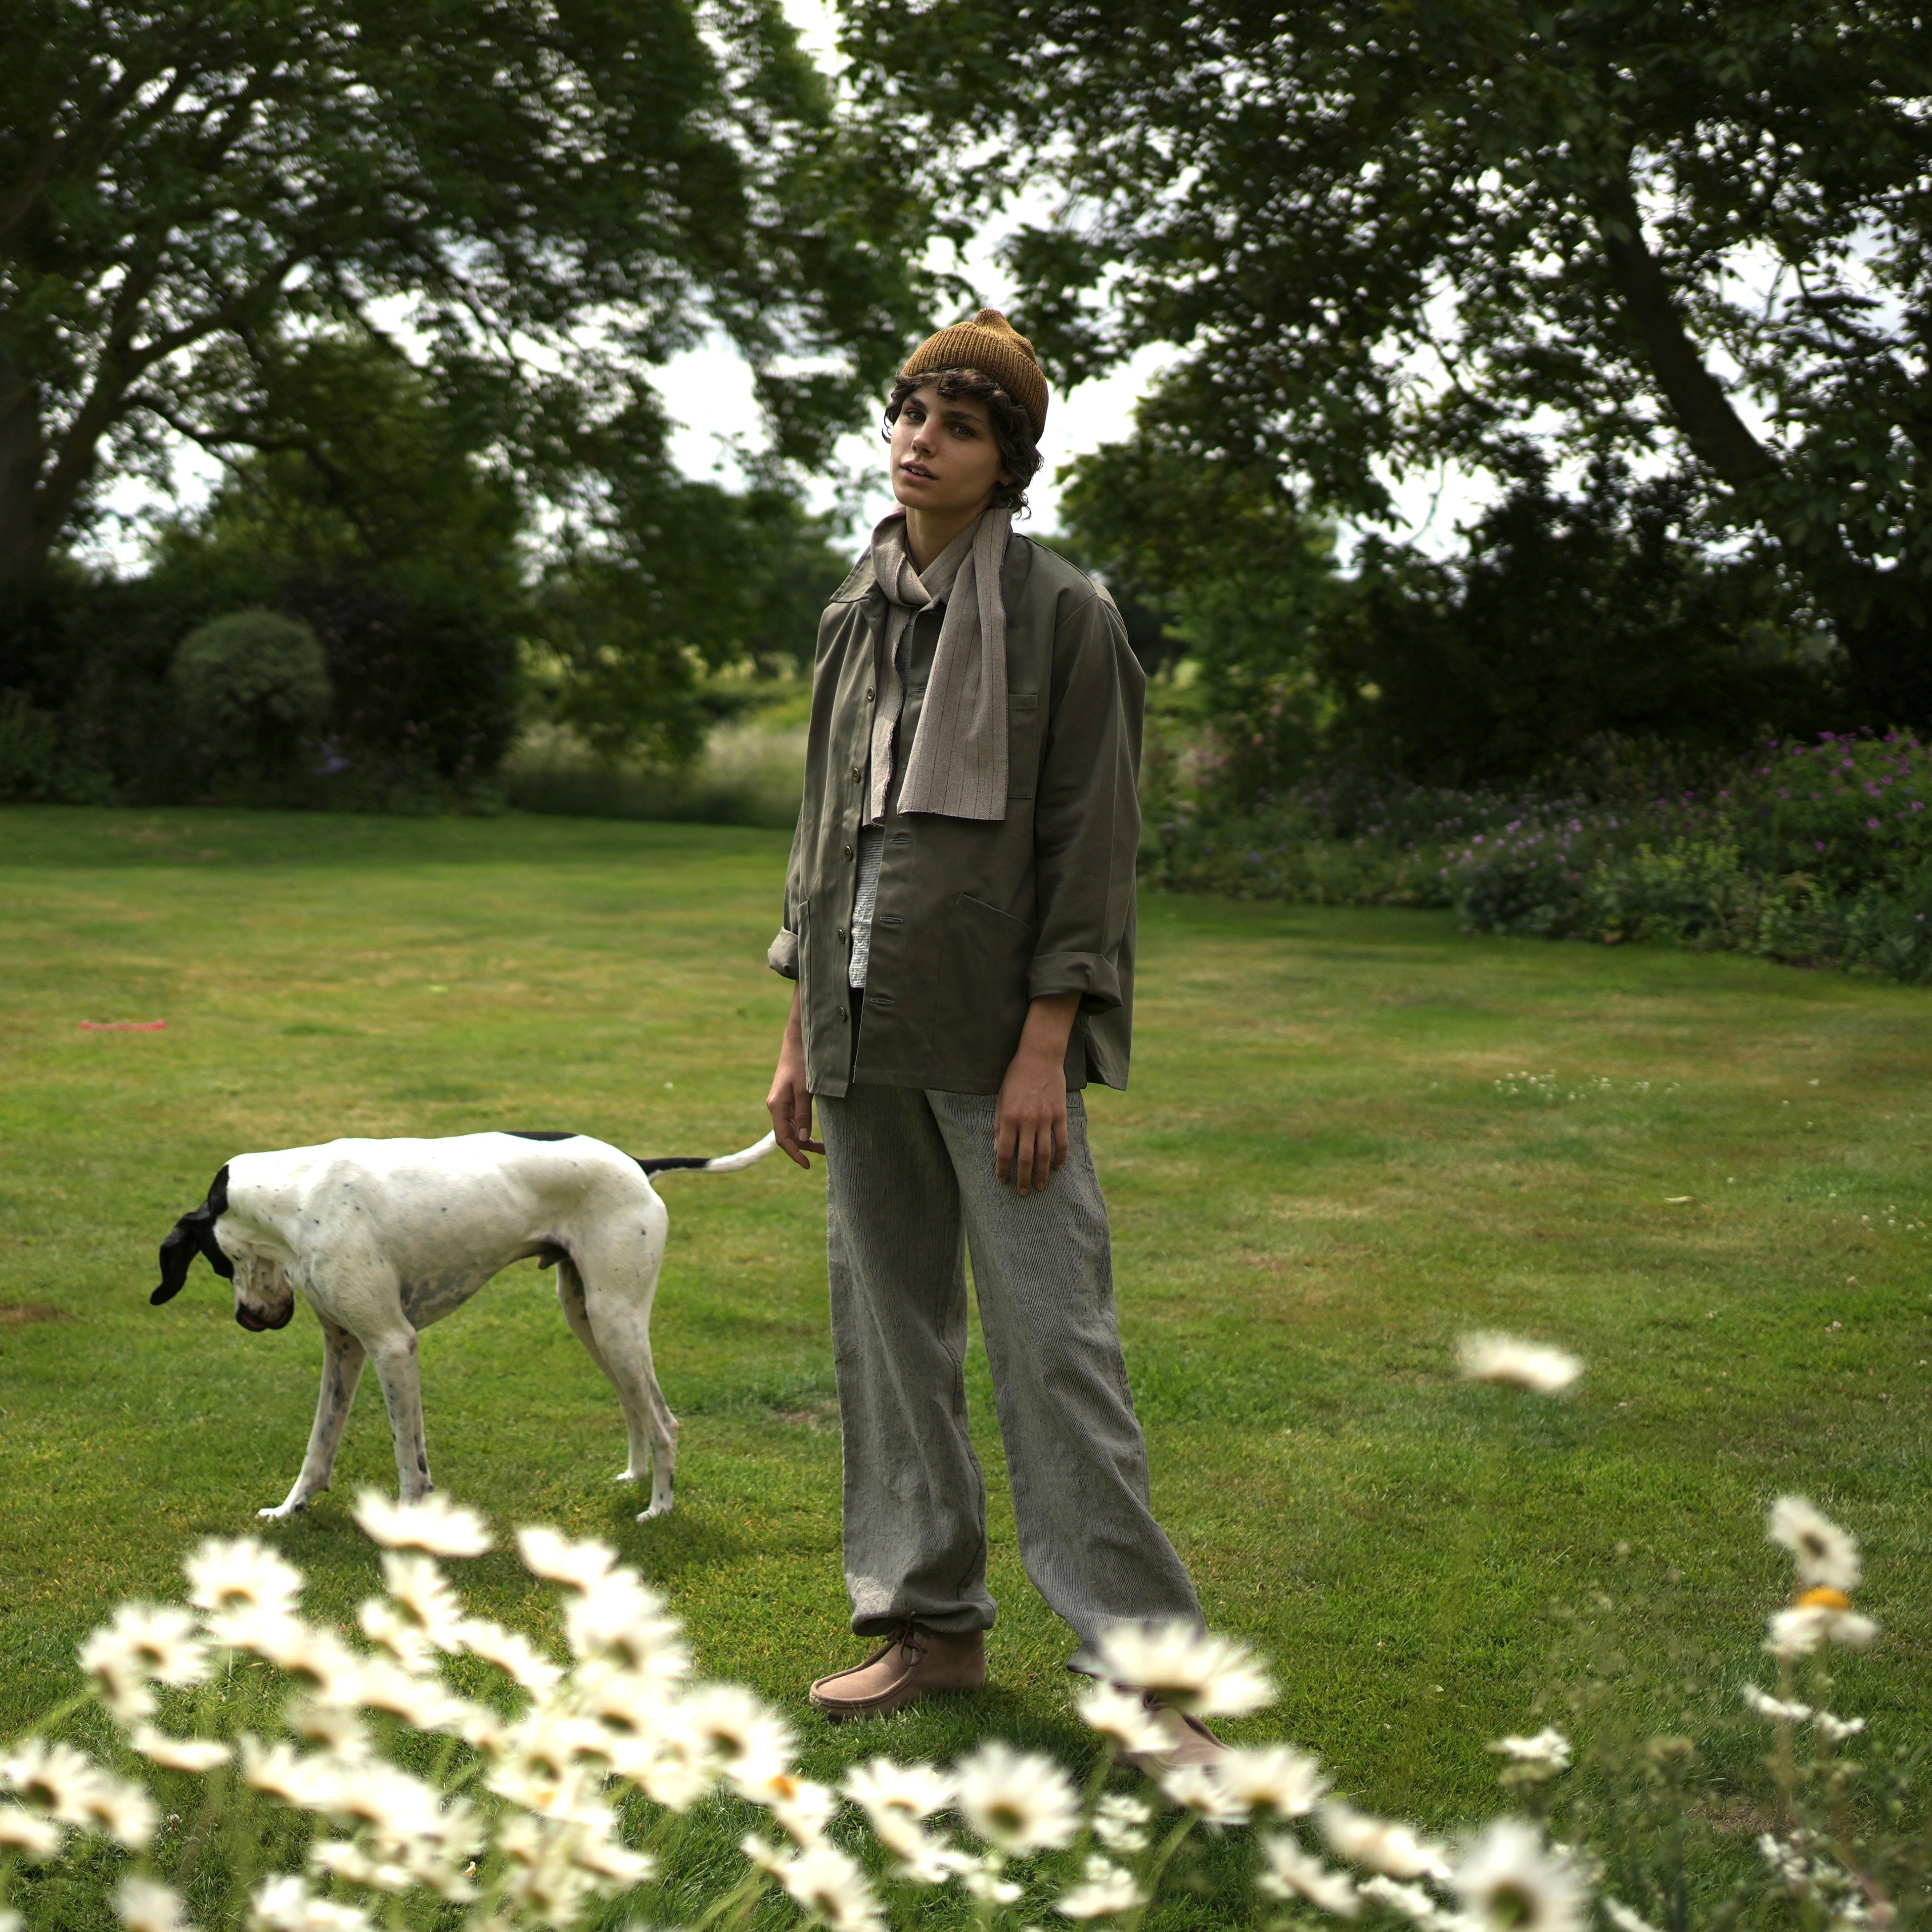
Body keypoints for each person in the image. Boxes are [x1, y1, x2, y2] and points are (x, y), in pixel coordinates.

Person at [764, 309, 1219, 1768]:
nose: (918, 441)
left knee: (1055, 1350)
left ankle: (1146, 1687)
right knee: (890, 1338)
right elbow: (826, 835)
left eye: (955, 425)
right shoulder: (854, 608)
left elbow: (1091, 848)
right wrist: (794, 1031)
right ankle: (931, 1624)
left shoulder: (1063, 615)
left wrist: (1047, 1048)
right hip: (857, 1020)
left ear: (1007, 458)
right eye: (907, 414)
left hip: (992, 1034)